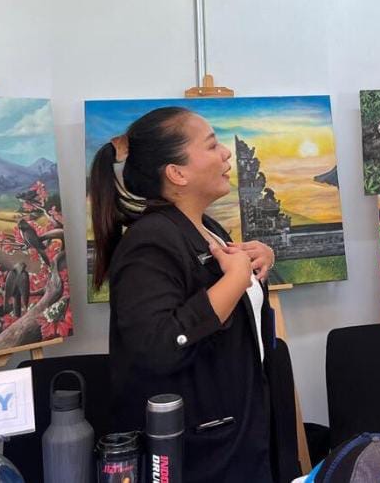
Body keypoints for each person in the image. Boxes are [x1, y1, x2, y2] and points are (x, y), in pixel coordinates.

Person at [90, 107, 299, 483]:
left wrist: (256, 262)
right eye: (212, 145)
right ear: (177, 173)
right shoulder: (149, 241)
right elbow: (159, 345)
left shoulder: (208, 228)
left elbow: (231, 313)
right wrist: (235, 279)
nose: (226, 154)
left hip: (241, 434)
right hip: (198, 456)